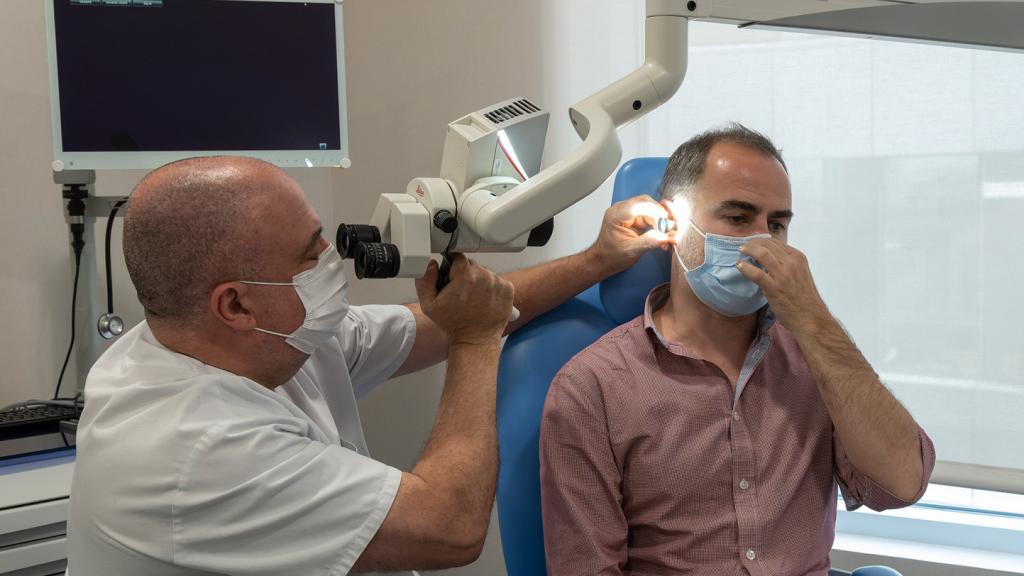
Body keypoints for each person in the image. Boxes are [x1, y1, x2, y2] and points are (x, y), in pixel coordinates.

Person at [66, 156, 671, 575]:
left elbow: (429, 325)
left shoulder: (260, 337)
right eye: (311, 254)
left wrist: (595, 260)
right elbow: (450, 529)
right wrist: (478, 341)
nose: (336, 260)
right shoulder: (192, 448)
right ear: (237, 303)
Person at [539, 124, 936, 576]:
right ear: (672, 223)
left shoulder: (816, 358)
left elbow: (902, 485)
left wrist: (813, 320)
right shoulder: (593, 388)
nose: (763, 241)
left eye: (778, 224)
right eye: (737, 217)